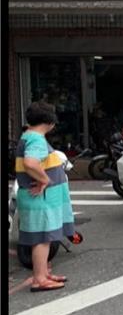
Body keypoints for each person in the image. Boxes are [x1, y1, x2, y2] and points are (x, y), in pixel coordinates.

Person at [15, 101, 75, 292]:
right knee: (42, 238)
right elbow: (31, 163)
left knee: (43, 237)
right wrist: (45, 180)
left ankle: (42, 273)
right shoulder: (36, 139)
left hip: (37, 198)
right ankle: (40, 278)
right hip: (41, 199)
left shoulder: (28, 136)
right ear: (50, 121)